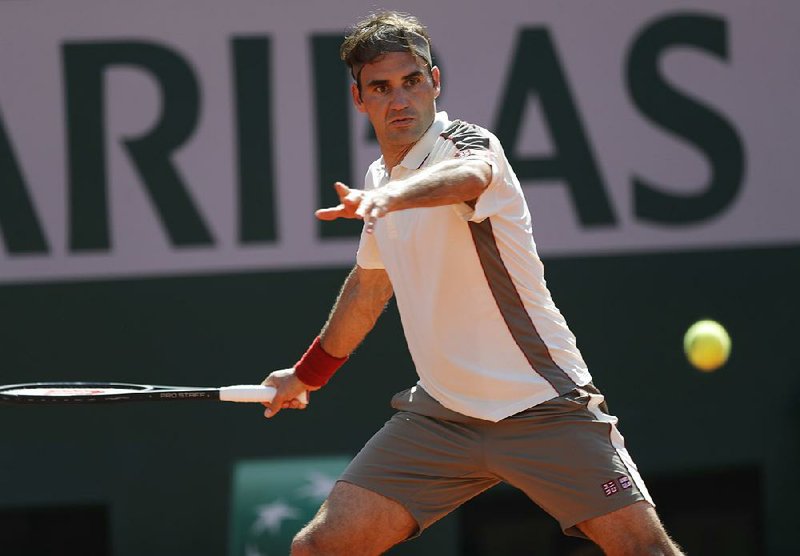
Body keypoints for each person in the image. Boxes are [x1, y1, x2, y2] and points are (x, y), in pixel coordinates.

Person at [262, 11, 684, 556]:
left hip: (543, 405)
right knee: (319, 548)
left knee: (643, 550)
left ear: (435, 82)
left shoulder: (467, 145)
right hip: (443, 417)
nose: (400, 101)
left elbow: (470, 177)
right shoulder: (375, 179)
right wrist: (307, 375)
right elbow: (369, 288)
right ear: (359, 99)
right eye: (381, 88)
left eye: (412, 82)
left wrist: (390, 199)